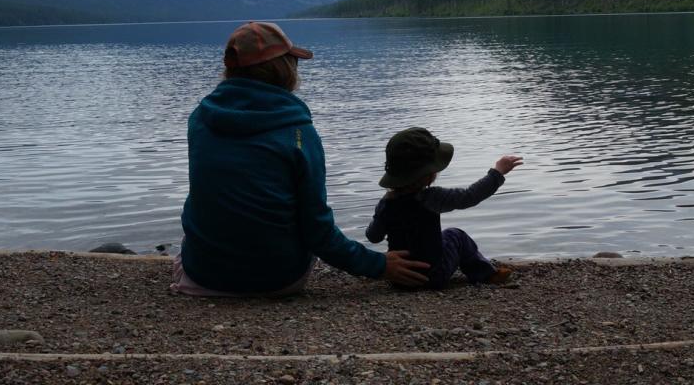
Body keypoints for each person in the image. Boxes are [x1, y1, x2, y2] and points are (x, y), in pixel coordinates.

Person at [173, 21, 430, 296]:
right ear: (284, 68)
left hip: (203, 277)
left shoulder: (199, 119)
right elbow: (317, 231)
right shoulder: (298, 132)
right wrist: (378, 265)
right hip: (278, 279)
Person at [365, 127, 522, 289]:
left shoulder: (385, 203)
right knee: (456, 235)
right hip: (434, 276)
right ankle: (486, 274)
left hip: (399, 278)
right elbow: (470, 196)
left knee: (441, 237)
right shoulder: (431, 197)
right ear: (429, 174)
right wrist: (497, 172)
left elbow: (373, 236)